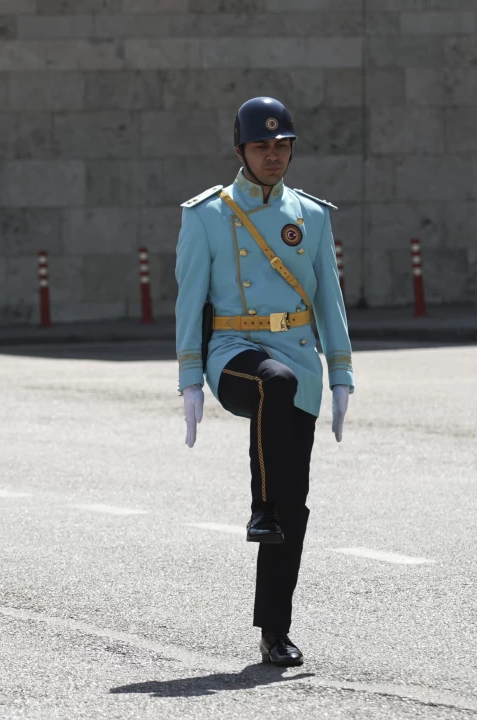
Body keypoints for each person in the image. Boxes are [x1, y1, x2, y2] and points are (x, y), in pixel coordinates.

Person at [175, 96, 353, 667]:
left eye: (282, 146)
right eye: (261, 146)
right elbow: (189, 298)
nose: (273, 155)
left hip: (299, 358)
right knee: (270, 384)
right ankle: (261, 506)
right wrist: (188, 378)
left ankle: (275, 630)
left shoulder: (314, 216)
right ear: (240, 151)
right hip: (233, 353)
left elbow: (330, 298)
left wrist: (342, 372)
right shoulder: (207, 214)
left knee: (295, 505)